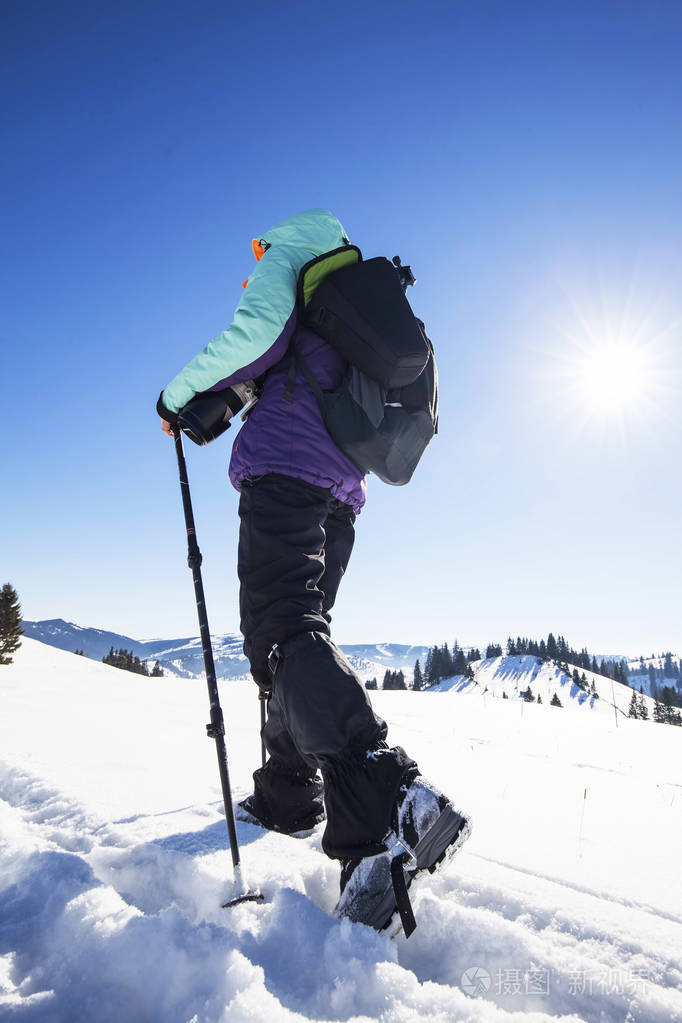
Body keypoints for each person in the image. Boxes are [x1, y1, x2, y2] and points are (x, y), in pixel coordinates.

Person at [157, 209, 471, 935]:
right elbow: (279, 368)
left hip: (285, 475)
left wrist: (175, 396)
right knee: (297, 637)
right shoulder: (352, 300)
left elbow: (250, 340)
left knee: (281, 634)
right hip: (341, 491)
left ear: (274, 243)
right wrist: (226, 403)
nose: (254, 262)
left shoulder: (291, 256)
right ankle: (290, 796)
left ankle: (395, 797)